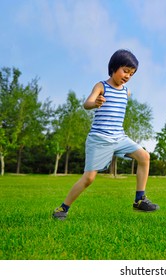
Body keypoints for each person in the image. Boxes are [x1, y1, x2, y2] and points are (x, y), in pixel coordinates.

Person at [53, 49, 159, 220]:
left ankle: (139, 200)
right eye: (125, 71)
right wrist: (95, 102)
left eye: (131, 74)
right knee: (89, 178)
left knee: (144, 157)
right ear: (114, 68)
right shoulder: (102, 86)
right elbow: (86, 104)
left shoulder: (126, 92)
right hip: (100, 138)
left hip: (119, 137)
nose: (127, 76)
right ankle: (62, 208)